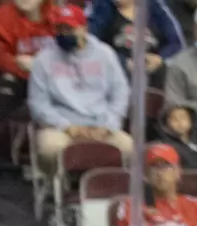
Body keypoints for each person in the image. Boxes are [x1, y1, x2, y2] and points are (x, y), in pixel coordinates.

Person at [30, 5, 136, 171]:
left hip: (101, 124)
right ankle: (57, 190)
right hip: (62, 127)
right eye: (60, 28)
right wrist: (66, 126)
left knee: (129, 147)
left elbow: (120, 93)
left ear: (84, 28)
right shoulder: (43, 59)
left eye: (69, 28)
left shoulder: (105, 54)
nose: (64, 33)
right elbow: (38, 103)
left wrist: (109, 125)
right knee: (50, 148)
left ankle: (112, 188)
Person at [0, 0, 57, 112]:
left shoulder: (57, 17)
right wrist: (21, 66)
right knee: (7, 83)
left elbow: (71, 55)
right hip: (15, 76)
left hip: (50, 76)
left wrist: (39, 67)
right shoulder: (2, 16)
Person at [89, 0, 186, 83]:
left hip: (155, 70)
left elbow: (177, 43)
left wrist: (160, 59)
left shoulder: (155, 7)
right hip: (119, 72)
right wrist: (123, 62)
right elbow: (92, 44)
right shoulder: (103, 9)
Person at [157, 102, 197, 168]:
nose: (179, 122)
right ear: (166, 124)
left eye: (183, 117)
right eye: (174, 119)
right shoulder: (167, 147)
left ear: (191, 120)